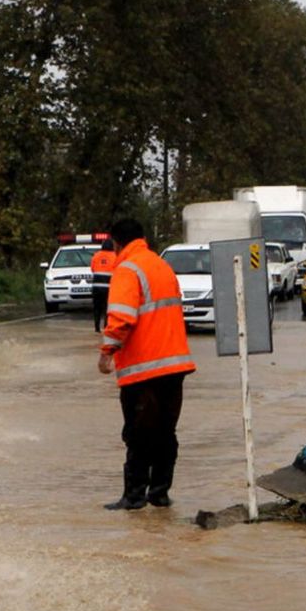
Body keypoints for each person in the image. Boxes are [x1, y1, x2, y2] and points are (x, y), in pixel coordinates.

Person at [98, 218, 196, 510]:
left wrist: (107, 351)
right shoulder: (161, 266)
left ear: (117, 244)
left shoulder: (126, 270)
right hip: (175, 366)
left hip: (144, 368)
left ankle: (134, 496)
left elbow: (122, 318)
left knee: (138, 434)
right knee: (165, 432)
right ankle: (160, 493)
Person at [89, 238, 116, 332]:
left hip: (96, 286)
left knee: (97, 307)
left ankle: (96, 327)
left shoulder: (96, 256)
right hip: (109, 287)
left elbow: (92, 269)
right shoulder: (115, 256)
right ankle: (106, 326)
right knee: (107, 308)